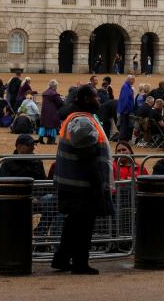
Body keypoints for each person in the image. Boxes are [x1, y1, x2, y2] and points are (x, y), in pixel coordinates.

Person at [52, 85, 113, 275]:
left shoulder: (80, 118)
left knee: (73, 223)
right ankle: (80, 262)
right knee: (84, 226)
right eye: (96, 97)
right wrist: (98, 184)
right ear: (86, 99)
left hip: (73, 182)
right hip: (82, 184)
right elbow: (87, 157)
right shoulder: (82, 121)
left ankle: (61, 258)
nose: (99, 100)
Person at [39, 79, 65, 144]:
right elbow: (60, 103)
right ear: (55, 86)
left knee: (44, 125)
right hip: (52, 111)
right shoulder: (54, 94)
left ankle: (41, 138)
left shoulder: (45, 93)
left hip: (44, 111)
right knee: (52, 125)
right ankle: (50, 141)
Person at [117, 74, 136, 144]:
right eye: (133, 80)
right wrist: (126, 109)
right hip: (125, 110)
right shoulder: (126, 87)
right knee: (123, 126)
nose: (134, 82)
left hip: (126, 110)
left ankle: (123, 140)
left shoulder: (127, 87)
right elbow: (125, 99)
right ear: (130, 80)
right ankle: (121, 140)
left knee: (125, 126)